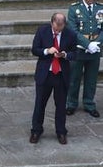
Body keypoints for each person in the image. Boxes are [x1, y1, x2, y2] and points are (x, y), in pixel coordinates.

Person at [31, 12, 79, 144]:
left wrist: (64, 54)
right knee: (40, 104)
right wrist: (47, 51)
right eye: (56, 27)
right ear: (52, 23)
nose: (58, 30)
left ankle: (61, 132)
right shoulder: (42, 31)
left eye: (61, 27)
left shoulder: (70, 34)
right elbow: (35, 50)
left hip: (61, 75)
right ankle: (36, 130)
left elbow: (75, 53)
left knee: (61, 105)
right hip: (45, 74)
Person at [67, 0, 103, 117]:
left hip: (95, 49)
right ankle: (71, 103)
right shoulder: (74, 9)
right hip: (78, 49)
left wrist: (96, 44)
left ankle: (89, 103)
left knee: (91, 79)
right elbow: (72, 30)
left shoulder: (100, 9)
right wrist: (87, 44)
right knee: (74, 78)